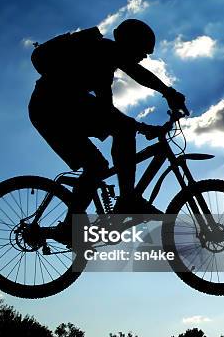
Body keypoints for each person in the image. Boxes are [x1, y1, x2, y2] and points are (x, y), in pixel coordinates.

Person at [28, 19, 188, 223]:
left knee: (99, 163)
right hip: (51, 110)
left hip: (58, 108)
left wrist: (166, 95)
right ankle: (127, 200)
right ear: (130, 44)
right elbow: (109, 106)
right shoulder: (100, 54)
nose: (143, 57)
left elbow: (131, 81)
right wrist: (151, 113)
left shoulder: (107, 55)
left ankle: (70, 228)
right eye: (142, 51)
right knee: (116, 140)